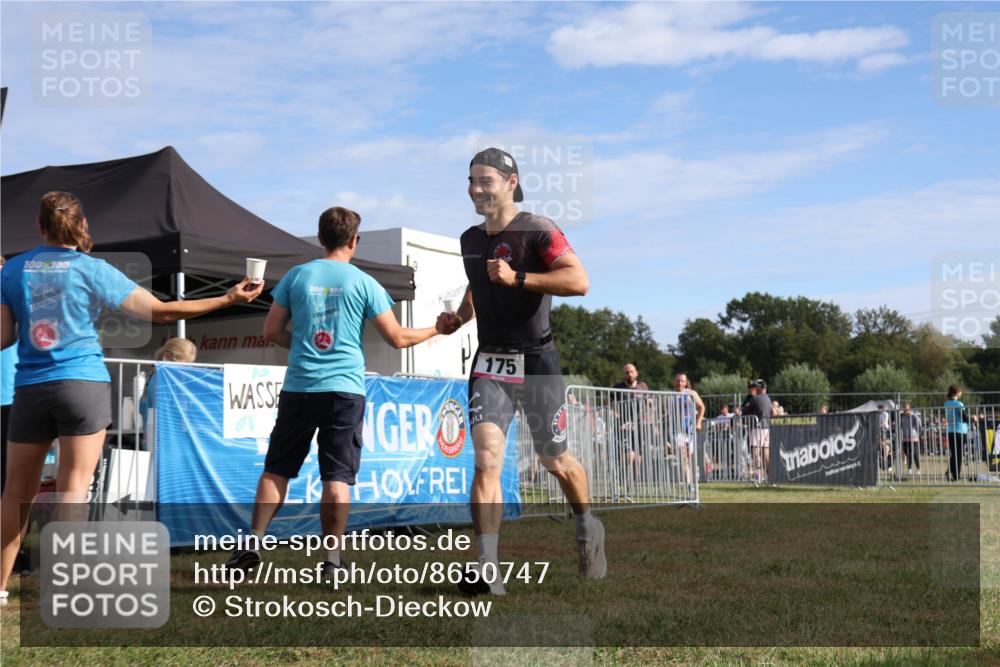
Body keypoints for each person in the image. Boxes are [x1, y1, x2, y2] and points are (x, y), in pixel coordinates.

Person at [0, 191, 263, 605]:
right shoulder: (92, 268)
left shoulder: (12, 269)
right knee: (74, 488)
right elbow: (161, 312)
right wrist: (229, 298)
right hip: (82, 386)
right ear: (81, 226)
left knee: (15, 492)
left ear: (38, 226)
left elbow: (2, 337)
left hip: (31, 387)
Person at [225, 206, 443, 575]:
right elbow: (397, 338)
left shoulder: (297, 276)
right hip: (344, 390)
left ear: (321, 237)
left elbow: (271, 332)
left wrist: (305, 346)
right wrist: (437, 329)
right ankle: (331, 560)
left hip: (300, 386)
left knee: (277, 470)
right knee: (337, 478)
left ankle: (253, 542)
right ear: (354, 241)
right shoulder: (363, 282)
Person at [436, 147, 604, 596]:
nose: (475, 189)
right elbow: (478, 285)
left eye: (485, 181)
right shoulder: (469, 239)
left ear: (511, 182)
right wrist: (459, 316)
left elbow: (579, 281)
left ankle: (587, 525)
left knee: (555, 461)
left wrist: (520, 279)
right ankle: (487, 566)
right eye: (471, 181)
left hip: (537, 361)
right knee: (487, 458)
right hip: (490, 361)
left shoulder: (539, 230)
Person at [138, 337, 198, 435]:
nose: (185, 371)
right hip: (166, 440)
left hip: (152, 439)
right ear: (167, 358)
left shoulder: (152, 378)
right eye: (182, 366)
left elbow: (142, 408)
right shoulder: (163, 382)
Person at [612, 364, 649, 485]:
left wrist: (650, 412)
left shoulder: (643, 387)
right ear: (624, 375)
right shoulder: (617, 388)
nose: (630, 375)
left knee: (639, 454)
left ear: (636, 373)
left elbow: (650, 402)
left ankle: (636, 480)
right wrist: (615, 413)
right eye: (627, 373)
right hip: (623, 425)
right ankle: (621, 475)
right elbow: (608, 403)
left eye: (632, 372)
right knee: (629, 454)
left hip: (639, 425)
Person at [671, 373, 705, 493]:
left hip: (690, 431)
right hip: (677, 431)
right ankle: (690, 485)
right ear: (674, 382)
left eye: (682, 381)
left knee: (689, 458)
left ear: (685, 382)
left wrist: (699, 421)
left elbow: (702, 407)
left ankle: (692, 480)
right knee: (683, 457)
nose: (679, 383)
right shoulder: (670, 395)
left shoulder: (691, 393)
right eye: (677, 381)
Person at [741, 379, 772, 482]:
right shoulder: (768, 399)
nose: (753, 389)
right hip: (767, 428)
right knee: (766, 454)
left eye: (755, 387)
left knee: (755, 453)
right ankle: (769, 477)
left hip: (757, 428)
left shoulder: (755, 399)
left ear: (759, 388)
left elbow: (744, 412)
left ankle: (757, 477)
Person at [944, 384, 968, 482]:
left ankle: (950, 471)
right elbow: (964, 417)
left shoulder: (946, 404)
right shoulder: (959, 404)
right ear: (957, 392)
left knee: (954, 453)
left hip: (950, 430)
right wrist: (972, 418)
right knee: (959, 454)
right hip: (960, 430)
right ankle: (956, 475)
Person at [898, 402, 921, 477]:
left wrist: (917, 433)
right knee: (908, 454)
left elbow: (919, 425)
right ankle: (910, 469)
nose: (905, 410)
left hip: (913, 438)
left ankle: (918, 469)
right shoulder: (902, 417)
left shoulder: (914, 416)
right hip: (905, 438)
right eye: (904, 409)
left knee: (914, 454)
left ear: (909, 409)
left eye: (906, 409)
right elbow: (901, 426)